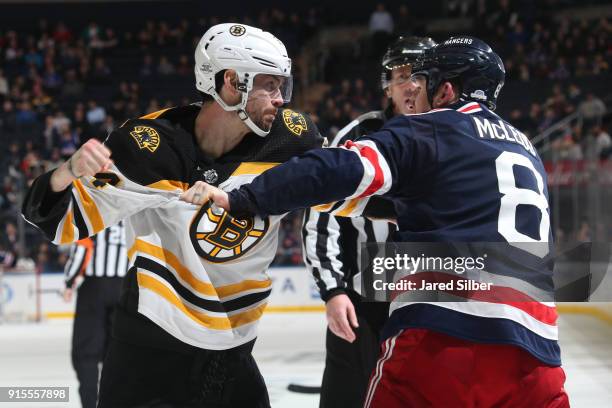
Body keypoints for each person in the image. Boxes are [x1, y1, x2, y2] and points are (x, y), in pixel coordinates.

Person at [191, 36, 569, 407]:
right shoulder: (524, 144)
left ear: (446, 91)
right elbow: (430, 204)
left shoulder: (430, 128)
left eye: (422, 83)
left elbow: (335, 168)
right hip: (538, 349)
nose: (413, 93)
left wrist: (241, 198)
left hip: (444, 334)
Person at [22, 23, 322, 408]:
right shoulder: (147, 147)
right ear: (232, 82)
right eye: (269, 85)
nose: (280, 99)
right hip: (149, 349)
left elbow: (339, 189)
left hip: (232, 348)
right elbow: (58, 223)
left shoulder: (291, 139)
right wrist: (67, 171)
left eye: (283, 86)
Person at [302, 36, 435, 408]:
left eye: (421, 74)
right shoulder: (361, 135)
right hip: (366, 300)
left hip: (435, 295)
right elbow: (321, 214)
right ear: (387, 86)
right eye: (401, 75)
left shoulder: (456, 135)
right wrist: (333, 290)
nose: (411, 84)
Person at [62, 222, 127, 408]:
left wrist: (70, 281)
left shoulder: (95, 209)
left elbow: (82, 248)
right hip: (125, 288)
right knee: (118, 353)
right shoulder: (134, 209)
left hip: (94, 288)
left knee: (86, 354)